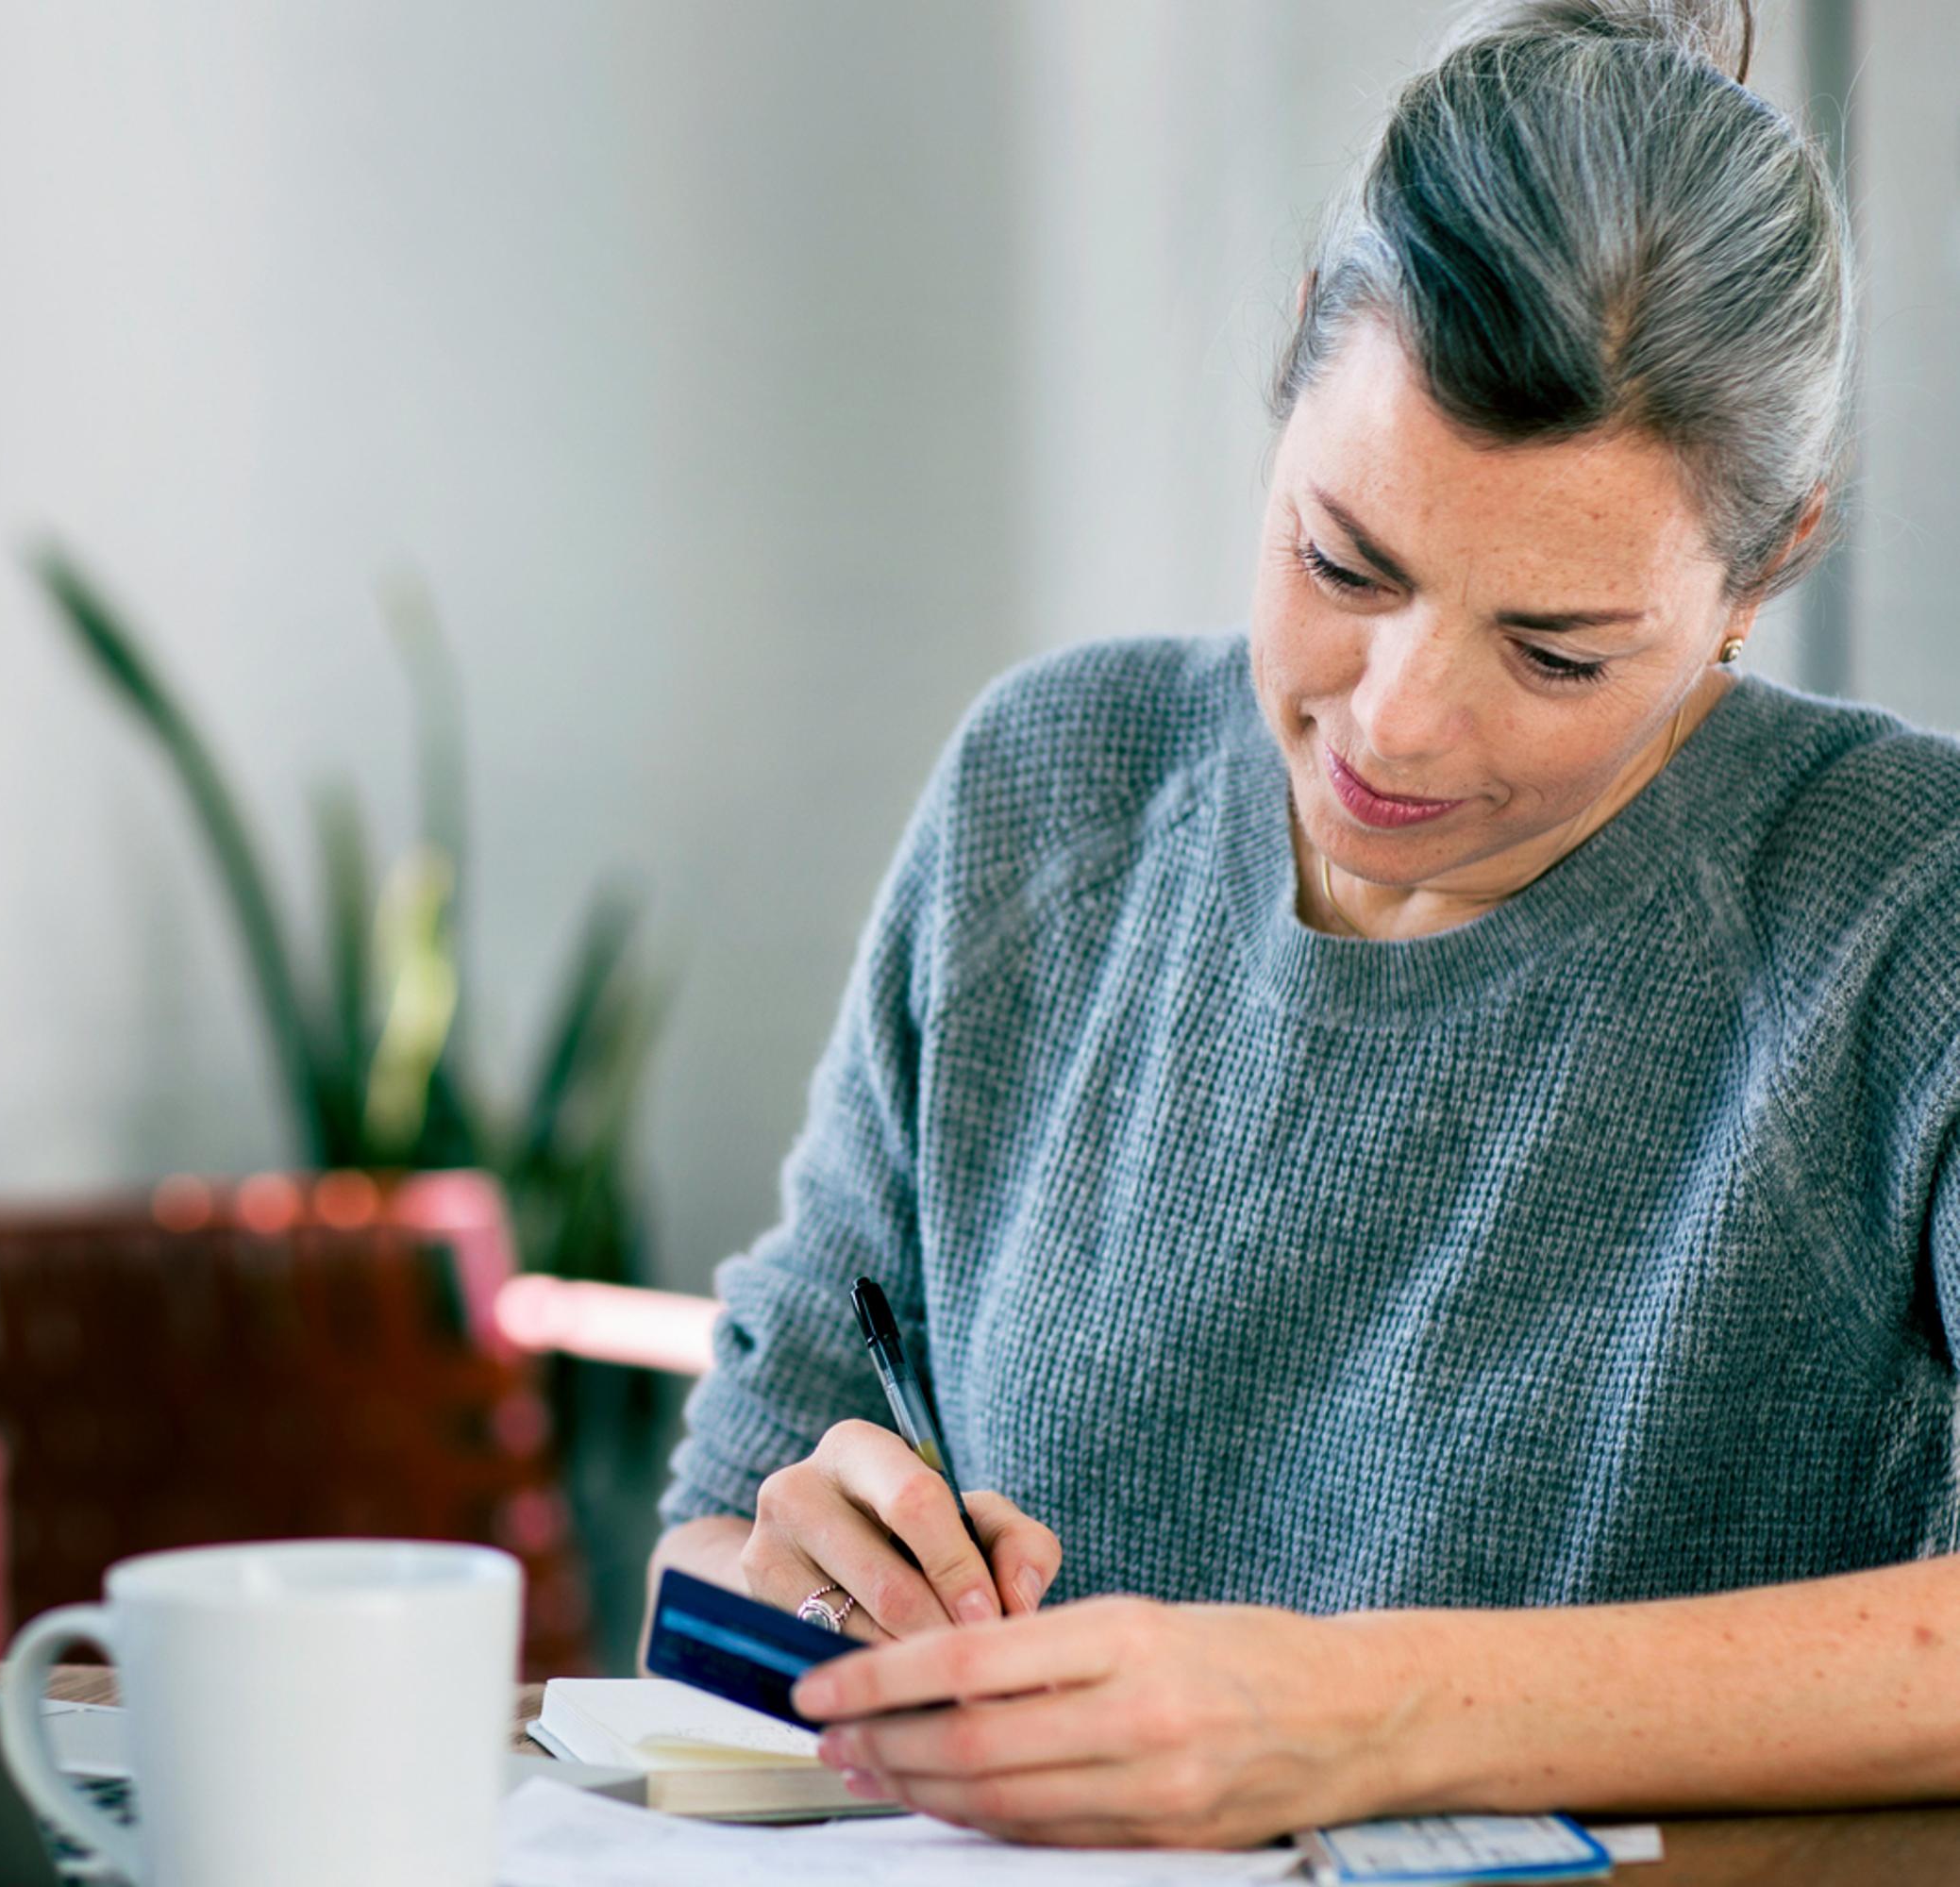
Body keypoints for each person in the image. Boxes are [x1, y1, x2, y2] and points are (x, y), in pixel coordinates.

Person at [647, 0, 1960, 1851]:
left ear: (1768, 563)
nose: (1396, 720)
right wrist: (794, 1595)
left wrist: (1351, 1715)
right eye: (1341, 561)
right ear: (1287, 357)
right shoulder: (1046, 792)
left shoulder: (1905, 912)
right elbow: (710, 1533)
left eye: (1553, 651)